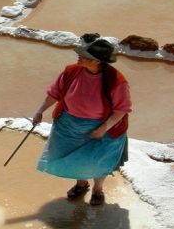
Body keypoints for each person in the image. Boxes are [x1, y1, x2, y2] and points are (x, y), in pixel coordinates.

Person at [31, 34, 131, 206]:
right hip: (69, 124)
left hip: (101, 127)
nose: (80, 56)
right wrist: (40, 111)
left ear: (97, 61)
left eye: (85, 56)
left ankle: (98, 190)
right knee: (74, 159)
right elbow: (55, 93)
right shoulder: (71, 72)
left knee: (99, 161)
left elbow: (121, 110)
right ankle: (81, 184)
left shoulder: (116, 81)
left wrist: (103, 129)